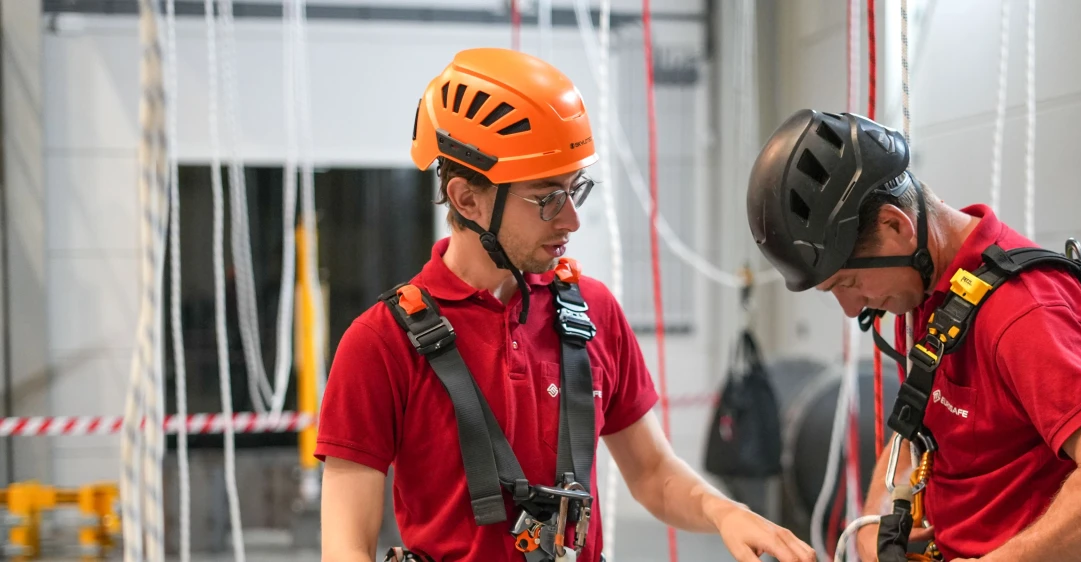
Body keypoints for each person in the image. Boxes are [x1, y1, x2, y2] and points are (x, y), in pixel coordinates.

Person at [315, 47, 815, 562]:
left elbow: (651, 473)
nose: (571, 219)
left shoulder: (594, 312)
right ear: (466, 199)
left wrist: (724, 511)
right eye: (546, 196)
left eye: (575, 189)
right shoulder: (381, 344)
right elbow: (345, 546)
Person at [744, 109, 1081, 562]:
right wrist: (875, 523)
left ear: (896, 226)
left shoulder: (1024, 310)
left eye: (849, 284)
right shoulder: (933, 290)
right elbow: (919, 419)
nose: (852, 308)